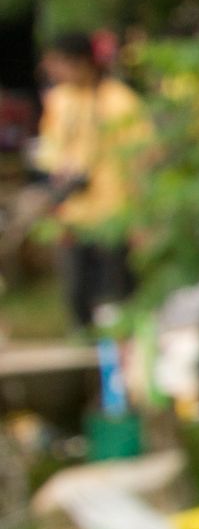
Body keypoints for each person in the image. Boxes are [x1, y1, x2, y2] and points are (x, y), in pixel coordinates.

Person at [32, 28, 149, 329]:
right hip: (74, 212)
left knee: (121, 294)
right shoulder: (59, 100)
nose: (54, 71)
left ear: (82, 62)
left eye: (60, 63)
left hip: (114, 212)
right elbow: (50, 151)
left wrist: (142, 216)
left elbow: (143, 156)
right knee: (77, 295)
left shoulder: (119, 100)